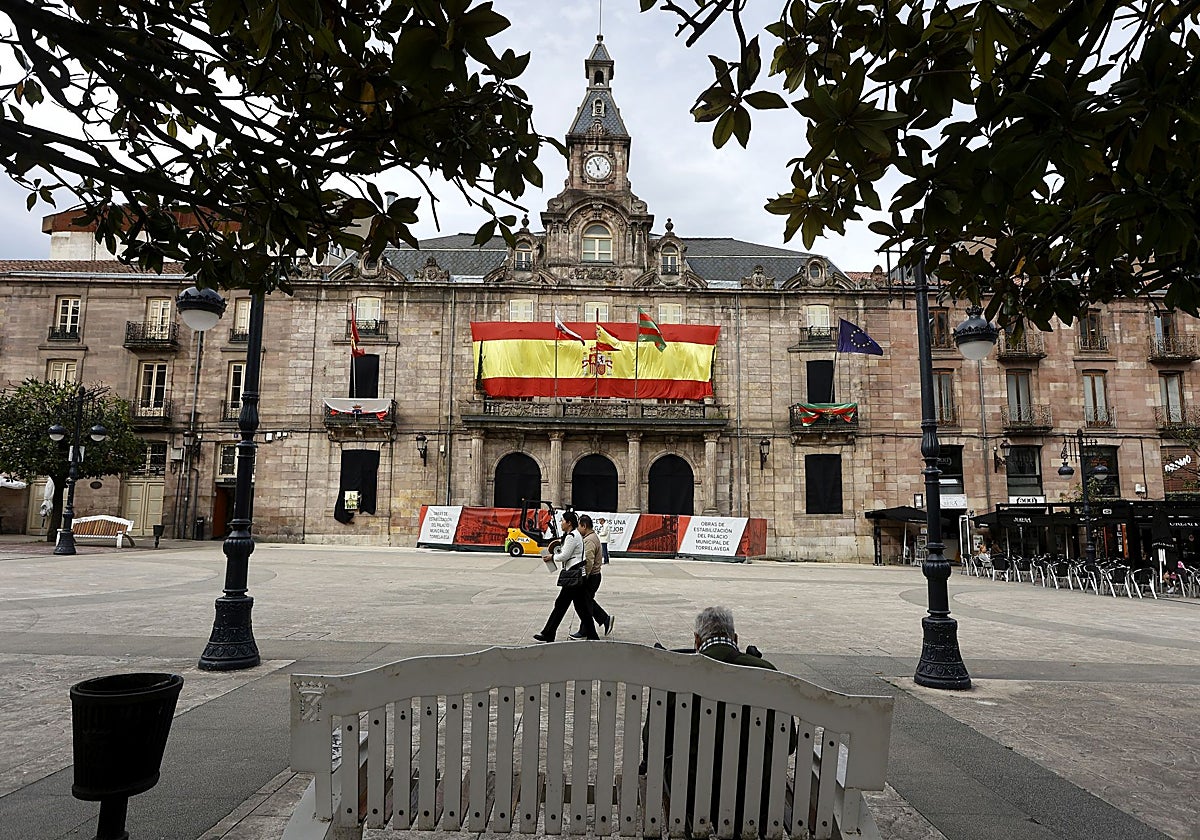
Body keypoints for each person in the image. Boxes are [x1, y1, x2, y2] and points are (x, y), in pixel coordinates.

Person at [642, 607, 796, 837]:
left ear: (696, 640)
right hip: (753, 792)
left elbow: (653, 744)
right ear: (735, 639)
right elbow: (789, 744)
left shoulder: (674, 675)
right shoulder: (767, 673)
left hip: (691, 791)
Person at [533, 510, 598, 642]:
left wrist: (552, 556)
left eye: (563, 521)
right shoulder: (575, 534)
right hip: (578, 575)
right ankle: (592, 636)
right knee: (581, 608)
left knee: (561, 604)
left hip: (574, 576)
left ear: (569, 523)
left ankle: (548, 633)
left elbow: (565, 555)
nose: (561, 523)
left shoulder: (572, 536)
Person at [571, 515, 614, 639]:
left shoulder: (589, 540)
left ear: (584, 526)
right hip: (595, 576)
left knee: (584, 603)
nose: (578, 529)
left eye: (579, 526)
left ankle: (604, 619)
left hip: (591, 577)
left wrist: (584, 577)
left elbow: (588, 561)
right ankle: (586, 629)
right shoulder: (592, 537)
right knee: (586, 602)